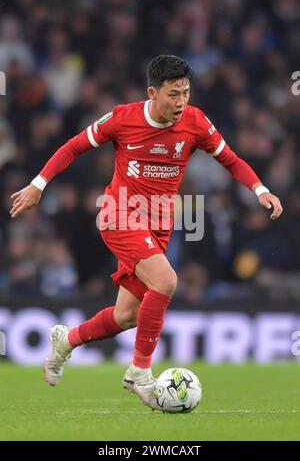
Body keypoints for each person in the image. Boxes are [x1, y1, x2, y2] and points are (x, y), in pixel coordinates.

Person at [10, 55, 283, 410]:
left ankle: (67, 341)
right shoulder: (123, 118)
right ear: (152, 92)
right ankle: (139, 371)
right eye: (173, 94)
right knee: (166, 281)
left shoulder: (196, 122)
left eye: (186, 92)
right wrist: (38, 185)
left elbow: (230, 158)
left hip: (158, 225)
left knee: (126, 316)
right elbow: (74, 146)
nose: (181, 102)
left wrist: (260, 190)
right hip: (119, 214)